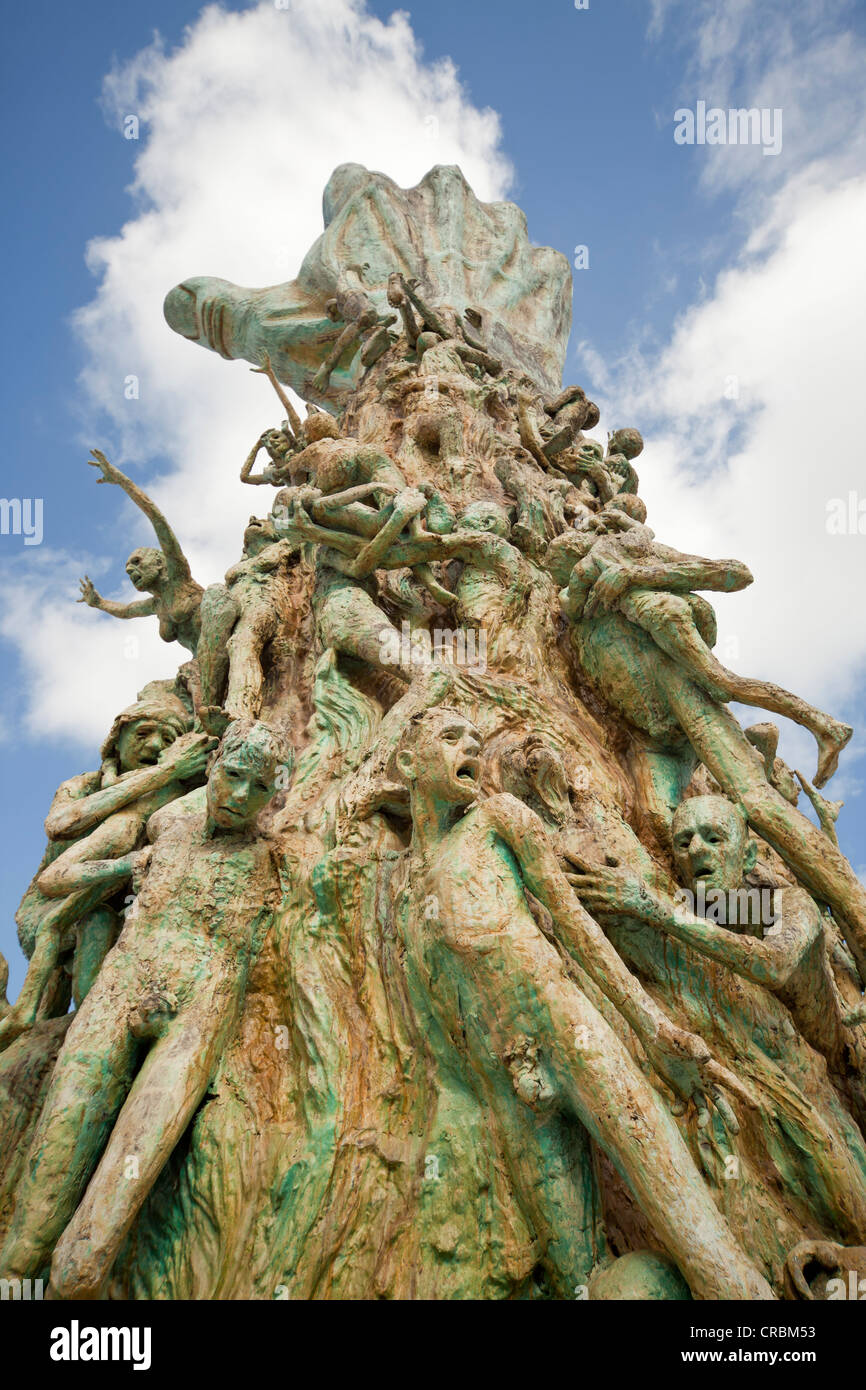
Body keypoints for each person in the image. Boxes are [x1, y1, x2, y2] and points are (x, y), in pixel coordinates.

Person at [392, 706, 773, 1300]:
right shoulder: (408, 893)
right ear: (407, 762)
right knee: (582, 1283)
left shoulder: (498, 818)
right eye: (450, 737)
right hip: (510, 1088)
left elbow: (573, 924)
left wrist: (651, 1028)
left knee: (703, 1245)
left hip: (569, 1032)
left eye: (475, 737)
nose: (470, 746)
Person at [0, 720, 289, 1298]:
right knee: (43, 1194)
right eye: (232, 776)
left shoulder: (277, 859)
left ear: (275, 794)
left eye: (259, 789)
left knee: (92, 1245)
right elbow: (59, 875)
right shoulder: (163, 827)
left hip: (198, 1013)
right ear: (211, 769)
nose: (240, 797)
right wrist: (127, 866)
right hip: (120, 988)